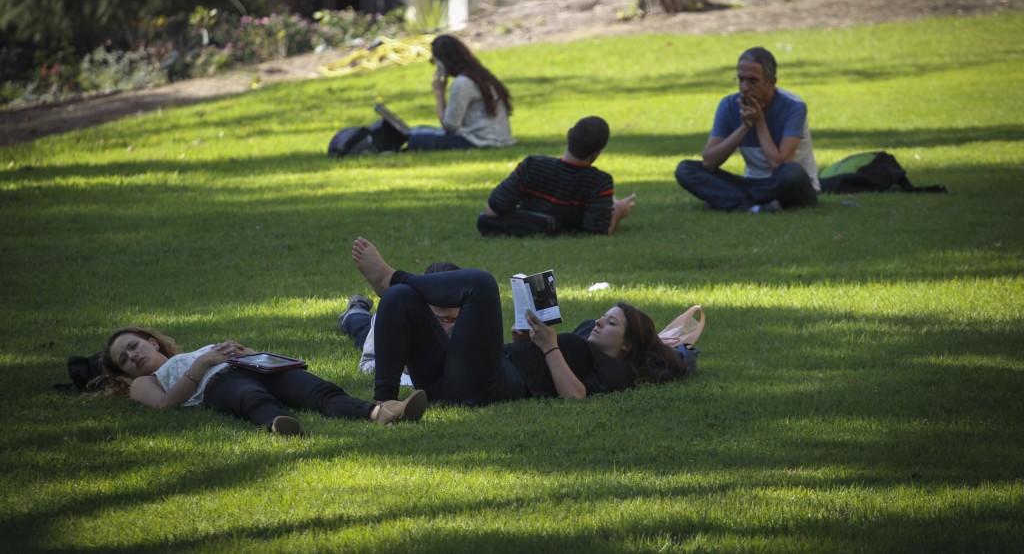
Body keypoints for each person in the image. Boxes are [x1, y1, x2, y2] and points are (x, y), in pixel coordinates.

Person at [351, 237, 689, 406]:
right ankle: (386, 404)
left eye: (612, 323)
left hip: (489, 385)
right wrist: (528, 343)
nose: (600, 322)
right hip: (459, 378)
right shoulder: (591, 343)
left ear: (628, 344)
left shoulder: (618, 371)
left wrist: (550, 346)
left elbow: (575, 396)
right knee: (401, 300)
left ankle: (392, 276)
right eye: (604, 317)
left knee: (481, 285)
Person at [98, 327, 428, 436]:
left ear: (151, 341)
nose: (133, 356)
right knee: (250, 397)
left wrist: (247, 352)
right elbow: (165, 404)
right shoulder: (144, 382)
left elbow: (254, 357)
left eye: (133, 346)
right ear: (125, 373)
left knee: (319, 391)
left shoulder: (196, 351)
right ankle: (277, 424)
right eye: (124, 360)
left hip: (253, 367)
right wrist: (203, 363)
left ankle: (383, 412)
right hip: (218, 384)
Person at [675, 47, 819, 212]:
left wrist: (759, 122)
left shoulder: (794, 107)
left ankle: (732, 201)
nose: (744, 87)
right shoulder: (729, 105)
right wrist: (744, 127)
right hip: (753, 182)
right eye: (740, 79)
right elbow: (709, 162)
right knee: (686, 169)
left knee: (792, 172)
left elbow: (779, 163)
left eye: (752, 81)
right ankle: (755, 206)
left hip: (790, 186)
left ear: (771, 82)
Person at [477, 115, 637, 236]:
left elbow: (493, 209)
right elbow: (597, 232)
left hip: (524, 224)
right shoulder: (598, 182)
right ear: (597, 154)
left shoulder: (532, 166)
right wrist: (617, 212)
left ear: (569, 134)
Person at [338, 261, 461, 379]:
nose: (443, 327)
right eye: (437, 319)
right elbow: (366, 364)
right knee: (361, 328)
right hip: (387, 337)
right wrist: (400, 367)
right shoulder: (395, 315)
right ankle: (355, 309)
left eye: (451, 319)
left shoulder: (472, 317)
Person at [404, 34, 516, 151]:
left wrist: (439, 92)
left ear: (441, 63)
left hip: (479, 141)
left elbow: (450, 127)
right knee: (418, 129)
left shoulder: (462, 83)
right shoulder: (480, 76)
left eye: (435, 62)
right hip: (497, 139)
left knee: (414, 139)